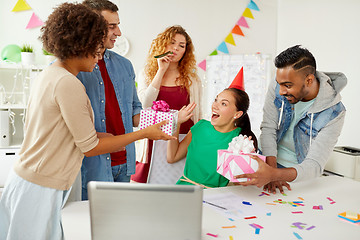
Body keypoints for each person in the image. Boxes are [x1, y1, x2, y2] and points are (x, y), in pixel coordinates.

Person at [0, 3, 173, 239]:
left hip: (33, 179)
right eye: (96, 48)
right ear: (81, 43)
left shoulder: (53, 75)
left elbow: (61, 131)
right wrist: (144, 134)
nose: (100, 55)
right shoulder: (68, 83)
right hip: (40, 184)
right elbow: (89, 147)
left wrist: (110, 137)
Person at [236, 45, 346, 193]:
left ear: (309, 80)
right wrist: (270, 170)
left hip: (297, 177)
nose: (281, 91)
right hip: (267, 161)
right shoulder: (278, 84)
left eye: (287, 85)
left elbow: (314, 165)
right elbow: (268, 128)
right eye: (279, 84)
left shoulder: (334, 112)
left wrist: (275, 174)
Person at [77, 0, 141, 200]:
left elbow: (134, 113)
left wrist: (168, 120)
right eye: (112, 26)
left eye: (118, 25)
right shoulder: (70, 68)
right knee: (89, 228)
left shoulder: (125, 65)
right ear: (91, 26)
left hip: (125, 164)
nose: (119, 32)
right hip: (91, 167)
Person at [131, 25, 202, 183]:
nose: (176, 48)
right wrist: (161, 70)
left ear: (186, 51)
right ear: (163, 44)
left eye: (181, 45)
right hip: (152, 139)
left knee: (178, 187)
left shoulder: (192, 79)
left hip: (180, 142)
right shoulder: (146, 74)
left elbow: (197, 116)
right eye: (172, 42)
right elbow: (145, 105)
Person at [167, 87, 258, 188]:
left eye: (223, 103)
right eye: (216, 100)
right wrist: (176, 123)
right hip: (185, 190)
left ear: (237, 114)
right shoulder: (200, 127)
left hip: (215, 196)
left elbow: (241, 182)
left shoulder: (241, 140)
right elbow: (172, 157)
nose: (215, 106)